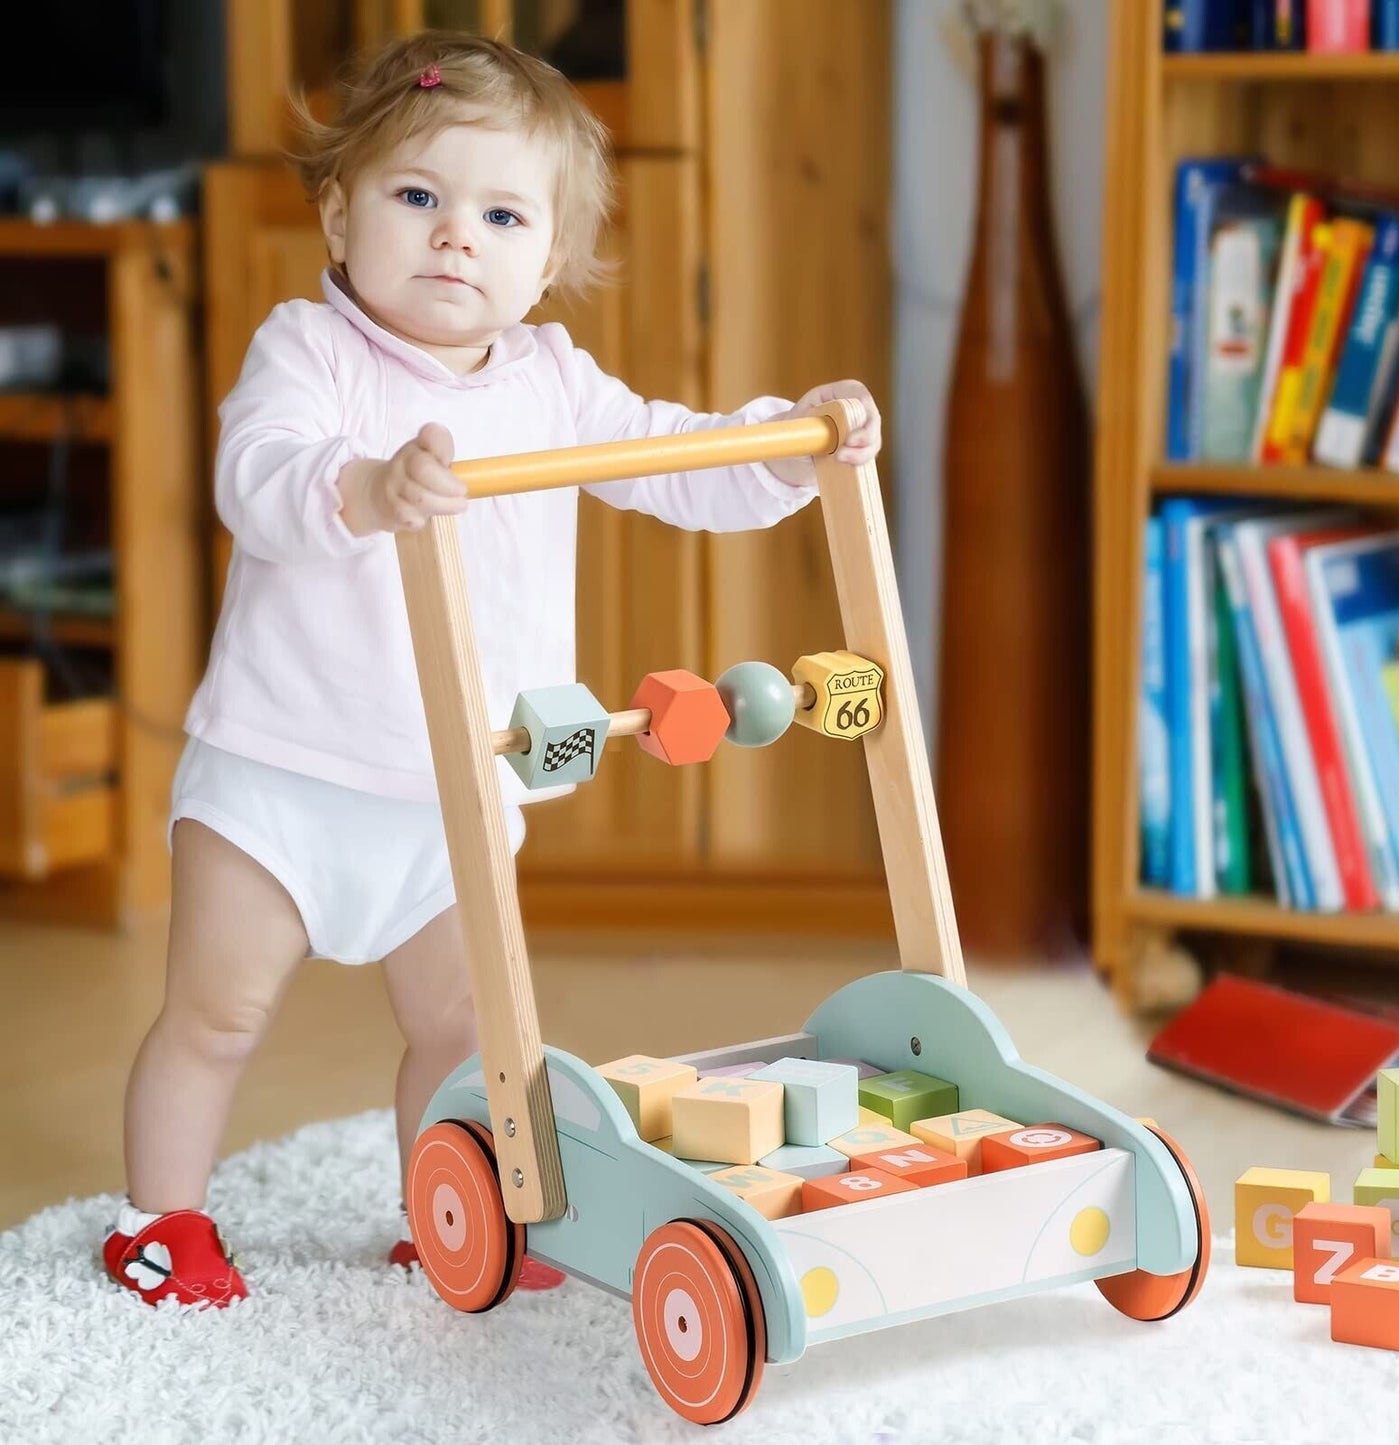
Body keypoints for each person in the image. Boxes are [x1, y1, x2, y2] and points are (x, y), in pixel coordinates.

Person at [103, 30, 882, 1308]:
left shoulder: (550, 382)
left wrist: (791, 448)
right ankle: (162, 1219)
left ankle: (442, 1215)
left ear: (548, 258)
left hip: (454, 787)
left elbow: (669, 458)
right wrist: (360, 485)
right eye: (418, 197)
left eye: (501, 213)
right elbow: (256, 476)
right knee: (214, 1017)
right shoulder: (311, 350)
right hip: (281, 777)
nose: (455, 235)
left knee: (461, 1036)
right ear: (339, 213)